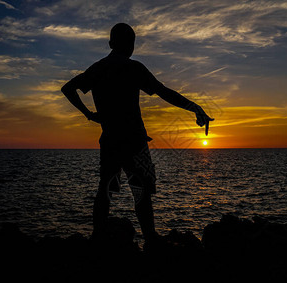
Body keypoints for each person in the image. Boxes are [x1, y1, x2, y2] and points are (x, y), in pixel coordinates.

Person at [61, 23, 214, 243]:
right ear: (129, 45)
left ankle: (98, 237)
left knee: (104, 190)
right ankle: (150, 239)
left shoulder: (98, 68)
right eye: (131, 42)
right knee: (140, 192)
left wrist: (88, 114)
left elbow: (68, 88)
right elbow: (163, 91)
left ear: (111, 43)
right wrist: (195, 107)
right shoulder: (133, 68)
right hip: (134, 141)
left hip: (111, 139)